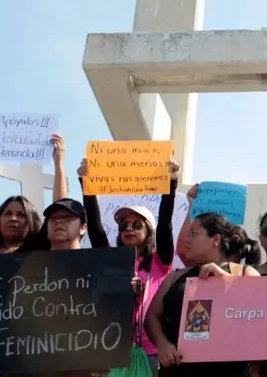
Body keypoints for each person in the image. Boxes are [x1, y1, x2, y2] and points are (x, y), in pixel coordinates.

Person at [79, 157, 181, 374]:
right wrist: (86, 184)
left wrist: (170, 184)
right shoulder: (111, 258)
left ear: (148, 233)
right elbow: (96, 230)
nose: (129, 229)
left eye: (137, 225)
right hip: (112, 349)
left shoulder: (159, 261)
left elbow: (165, 226)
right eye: (124, 225)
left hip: (152, 353)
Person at [145, 212, 262, 376]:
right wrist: (163, 344)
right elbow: (152, 316)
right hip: (179, 370)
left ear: (216, 239)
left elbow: (261, 313)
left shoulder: (245, 273)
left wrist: (225, 279)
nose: (187, 239)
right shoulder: (175, 277)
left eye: (194, 234)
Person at [0, 132, 68, 254]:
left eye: (21, 215)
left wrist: (58, 163)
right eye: (7, 214)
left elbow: (60, 208)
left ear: (31, 222)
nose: (13, 218)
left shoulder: (38, 248)